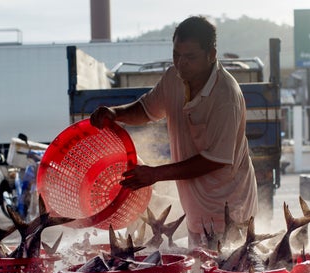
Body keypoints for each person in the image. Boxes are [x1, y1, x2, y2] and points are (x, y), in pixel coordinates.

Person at [90, 15, 257, 246]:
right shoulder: (173, 78)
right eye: (176, 54)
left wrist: (154, 174)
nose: (181, 63)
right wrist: (115, 114)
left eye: (190, 57)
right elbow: (146, 109)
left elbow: (214, 160)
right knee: (202, 272)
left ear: (212, 55)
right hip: (197, 207)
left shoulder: (226, 95)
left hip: (228, 208)